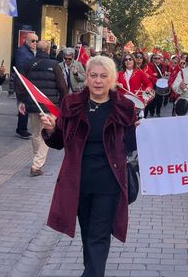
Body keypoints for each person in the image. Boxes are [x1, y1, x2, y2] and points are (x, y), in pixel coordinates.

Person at [40, 56, 136, 277]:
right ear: (87, 77)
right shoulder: (71, 103)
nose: (98, 81)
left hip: (109, 182)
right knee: (87, 233)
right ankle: (91, 270)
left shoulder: (124, 107)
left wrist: (139, 131)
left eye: (104, 76)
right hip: (78, 182)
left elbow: (130, 146)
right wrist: (52, 129)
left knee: (99, 234)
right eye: (94, 75)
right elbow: (59, 142)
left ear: (112, 79)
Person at [16, 40, 68, 177]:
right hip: (49, 105)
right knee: (48, 132)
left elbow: (21, 83)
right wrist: (63, 103)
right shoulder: (54, 65)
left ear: (36, 49)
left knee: (36, 133)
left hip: (33, 105)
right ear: (48, 49)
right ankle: (37, 164)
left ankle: (36, 157)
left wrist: (21, 100)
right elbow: (62, 86)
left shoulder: (28, 64)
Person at [14, 33, 38, 139]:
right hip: (23, 82)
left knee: (26, 104)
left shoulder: (31, 52)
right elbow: (21, 67)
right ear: (26, 40)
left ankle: (22, 128)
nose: (35, 43)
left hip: (28, 81)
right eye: (33, 41)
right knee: (23, 104)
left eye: (36, 41)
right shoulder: (22, 51)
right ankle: (21, 129)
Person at [145, 53, 167, 117]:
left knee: (160, 99)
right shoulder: (149, 65)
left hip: (161, 85)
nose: (157, 60)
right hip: (153, 85)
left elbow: (165, 73)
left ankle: (158, 111)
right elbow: (149, 75)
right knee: (153, 99)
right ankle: (152, 111)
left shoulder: (163, 66)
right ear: (152, 59)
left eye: (158, 58)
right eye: (155, 58)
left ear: (160, 59)